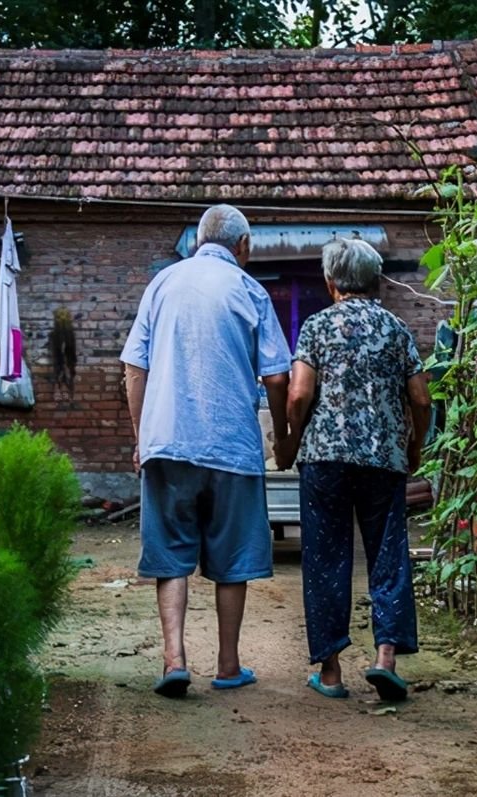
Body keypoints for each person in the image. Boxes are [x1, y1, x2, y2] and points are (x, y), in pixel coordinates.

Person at [121, 204, 290, 698]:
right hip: (232, 445)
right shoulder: (250, 290)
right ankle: (227, 664)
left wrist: (141, 437)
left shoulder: (163, 284)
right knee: (232, 559)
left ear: (199, 241)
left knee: (170, 555)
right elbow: (277, 377)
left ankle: (175, 659)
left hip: (167, 442)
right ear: (244, 247)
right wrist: (280, 436)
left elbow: (135, 368)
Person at [277, 238, 432, 702]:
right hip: (383, 460)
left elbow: (299, 394)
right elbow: (421, 399)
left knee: (326, 558)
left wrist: (291, 438)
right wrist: (414, 444)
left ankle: (330, 673)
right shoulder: (396, 328)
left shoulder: (318, 327)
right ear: (375, 282)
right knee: (387, 553)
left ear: (330, 283)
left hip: (325, 459)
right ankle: (385, 658)